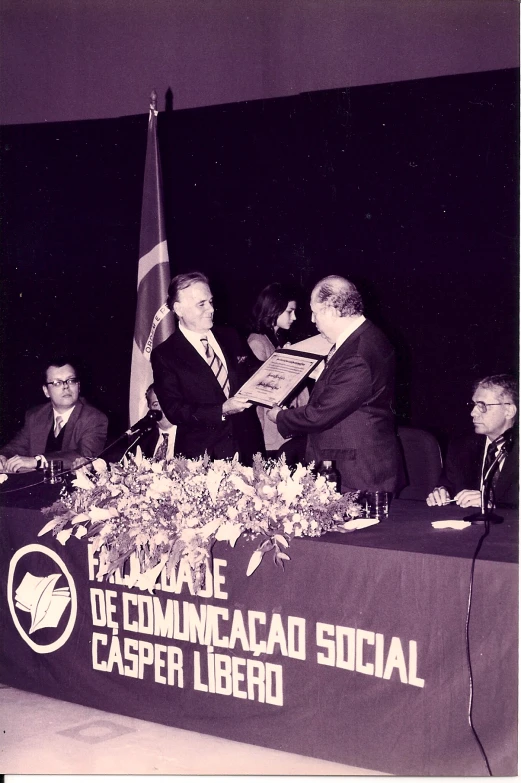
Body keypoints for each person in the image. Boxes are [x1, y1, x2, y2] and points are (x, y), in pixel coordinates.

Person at [266, 275, 400, 494]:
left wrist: (279, 416)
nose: (312, 320)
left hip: (355, 471)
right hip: (358, 463)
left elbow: (319, 414)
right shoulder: (366, 337)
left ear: (330, 310)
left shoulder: (357, 353)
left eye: (315, 312)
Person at [151, 271, 264, 463]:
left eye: (211, 302)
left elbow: (256, 372)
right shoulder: (165, 355)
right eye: (201, 304)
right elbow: (174, 410)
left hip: (249, 449)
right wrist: (222, 409)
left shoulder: (231, 336)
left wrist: (286, 366)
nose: (211, 309)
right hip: (204, 458)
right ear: (178, 309)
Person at [0, 358, 108, 472]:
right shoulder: (35, 416)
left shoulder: (94, 418)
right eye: (57, 383)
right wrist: (3, 456)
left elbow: (84, 456)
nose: (66, 386)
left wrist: (37, 461)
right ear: (46, 391)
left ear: (79, 386)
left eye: (71, 381)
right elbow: (16, 447)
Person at [426, 374, 518, 508]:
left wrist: (492, 505)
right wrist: (441, 492)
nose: (473, 413)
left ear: (509, 411)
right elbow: (448, 485)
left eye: (482, 406)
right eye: (474, 405)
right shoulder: (462, 446)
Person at [247, 282, 309, 456]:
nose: (294, 317)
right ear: (273, 309)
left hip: (280, 430)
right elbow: (260, 392)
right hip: (269, 433)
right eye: (289, 311)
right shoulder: (257, 342)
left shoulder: (274, 340)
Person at [131, 384, 177, 460]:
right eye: (156, 404)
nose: (163, 409)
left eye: (166, 402)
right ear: (150, 408)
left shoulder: (193, 438)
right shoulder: (141, 439)